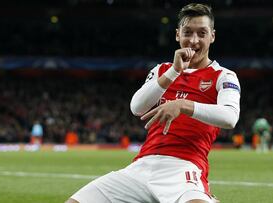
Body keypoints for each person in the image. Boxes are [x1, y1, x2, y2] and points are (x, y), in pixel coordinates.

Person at [66, 3, 240, 203]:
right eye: (187, 32)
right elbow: (136, 107)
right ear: (177, 35)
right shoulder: (162, 70)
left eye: (202, 33)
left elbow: (230, 117)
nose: (193, 40)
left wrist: (183, 105)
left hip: (184, 168)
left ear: (213, 36)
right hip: (141, 167)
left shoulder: (223, 76)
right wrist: (174, 71)